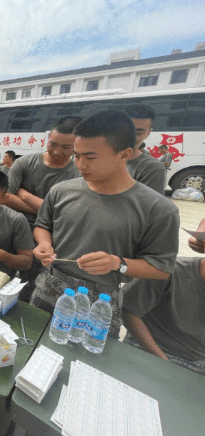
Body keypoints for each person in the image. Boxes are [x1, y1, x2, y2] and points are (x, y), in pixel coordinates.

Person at [31, 110, 180, 338]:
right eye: (77, 155)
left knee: (85, 364)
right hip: (50, 284)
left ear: (125, 154)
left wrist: (117, 263)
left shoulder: (157, 209)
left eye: (90, 158)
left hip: (99, 300)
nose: (80, 165)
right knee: (31, 344)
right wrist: (44, 244)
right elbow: (43, 225)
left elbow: (161, 268)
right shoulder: (62, 191)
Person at [3, 117, 82, 302]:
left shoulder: (77, 174)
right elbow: (5, 197)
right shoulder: (25, 163)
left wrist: (25, 195)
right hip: (12, 231)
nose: (56, 151)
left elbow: (65, 215)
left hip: (45, 241)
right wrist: (49, 208)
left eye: (66, 147)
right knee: (2, 276)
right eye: (53, 144)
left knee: (29, 285)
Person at [122, 257, 205, 376]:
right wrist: (162, 361)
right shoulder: (169, 270)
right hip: (147, 351)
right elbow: (127, 309)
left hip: (197, 366)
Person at [124, 104, 166, 194]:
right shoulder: (98, 158)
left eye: (138, 133)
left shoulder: (152, 168)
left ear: (148, 134)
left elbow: (148, 206)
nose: (130, 137)